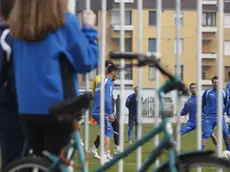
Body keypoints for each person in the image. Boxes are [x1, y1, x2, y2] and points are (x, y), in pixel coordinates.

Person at [8, 0, 99, 156]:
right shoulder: (64, 22)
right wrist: (89, 29)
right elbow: (87, 61)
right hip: (58, 106)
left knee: (40, 161)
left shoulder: (18, 26)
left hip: (28, 107)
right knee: (56, 163)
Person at [0, 0, 29, 169]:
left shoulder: (9, 37)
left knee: (15, 160)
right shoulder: (15, 37)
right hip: (18, 105)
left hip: (13, 104)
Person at [89, 60, 120, 159]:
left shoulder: (102, 81)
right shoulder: (109, 83)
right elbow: (106, 100)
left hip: (96, 110)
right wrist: (110, 113)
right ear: (113, 73)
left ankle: (96, 149)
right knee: (109, 131)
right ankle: (105, 154)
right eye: (117, 74)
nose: (117, 76)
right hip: (102, 111)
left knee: (105, 130)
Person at [202, 76, 229, 150]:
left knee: (226, 134)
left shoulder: (223, 92)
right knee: (205, 134)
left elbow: (226, 104)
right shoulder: (207, 92)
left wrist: (226, 114)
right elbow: (202, 104)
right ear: (212, 83)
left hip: (220, 118)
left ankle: (228, 151)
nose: (216, 84)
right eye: (214, 82)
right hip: (209, 118)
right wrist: (204, 114)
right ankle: (201, 152)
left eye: (217, 82)